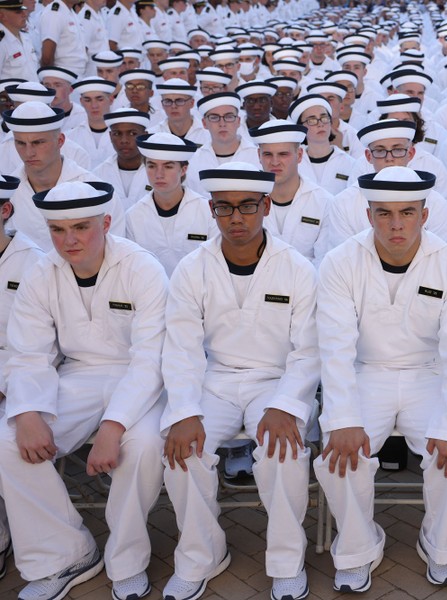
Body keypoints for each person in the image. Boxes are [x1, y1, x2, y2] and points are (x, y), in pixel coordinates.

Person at [313, 166, 447, 592]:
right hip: (366, 375)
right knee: (338, 457)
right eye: (384, 213)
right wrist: (342, 418)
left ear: (424, 215)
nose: (396, 224)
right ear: (369, 215)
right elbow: (335, 348)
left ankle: (441, 544)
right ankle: (357, 547)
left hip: (429, 375)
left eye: (407, 212)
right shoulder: (339, 262)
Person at [0, 180, 168, 600]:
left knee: (142, 445)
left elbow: (151, 359)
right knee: (7, 442)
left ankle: (127, 559)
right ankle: (67, 555)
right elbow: (29, 354)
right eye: (58, 230)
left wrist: (113, 427)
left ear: (106, 222)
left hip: (143, 379)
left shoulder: (142, 268)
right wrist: (28, 413)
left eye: (81, 227)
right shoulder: (42, 272)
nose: (69, 240)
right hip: (77, 376)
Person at [160, 161, 319, 600]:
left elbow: (309, 351)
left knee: (281, 450)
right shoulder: (192, 269)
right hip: (215, 381)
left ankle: (287, 561)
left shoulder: (298, 268)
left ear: (266, 206)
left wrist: (287, 404)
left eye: (247, 206)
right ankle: (201, 556)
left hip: (277, 381)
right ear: (211, 211)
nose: (236, 218)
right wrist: (186, 411)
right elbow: (182, 348)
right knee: (182, 451)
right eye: (224, 208)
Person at [4, 101, 126, 252]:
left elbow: (115, 250)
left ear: (60, 141)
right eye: (21, 143)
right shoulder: (6, 193)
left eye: (38, 142)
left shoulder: (96, 191)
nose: (29, 153)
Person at [0, 173, 44, 582]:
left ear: (5, 210)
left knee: (7, 443)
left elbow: (39, 344)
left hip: (20, 367)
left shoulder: (33, 261)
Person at [327, 119, 447, 251]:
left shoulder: (435, 202)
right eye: (380, 151)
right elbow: (345, 257)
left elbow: (436, 256)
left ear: (410, 154)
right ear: (369, 156)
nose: (389, 158)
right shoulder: (344, 203)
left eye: (397, 150)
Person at [125, 132, 212, 276]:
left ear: (183, 169)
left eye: (168, 166)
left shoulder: (207, 211)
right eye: (152, 166)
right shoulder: (134, 216)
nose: (159, 174)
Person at [249, 119, 332, 265]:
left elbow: (324, 261)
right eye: (268, 154)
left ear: (299, 155)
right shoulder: (247, 200)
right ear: (258, 155)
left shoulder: (324, 202)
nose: (275, 162)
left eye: (283, 154)